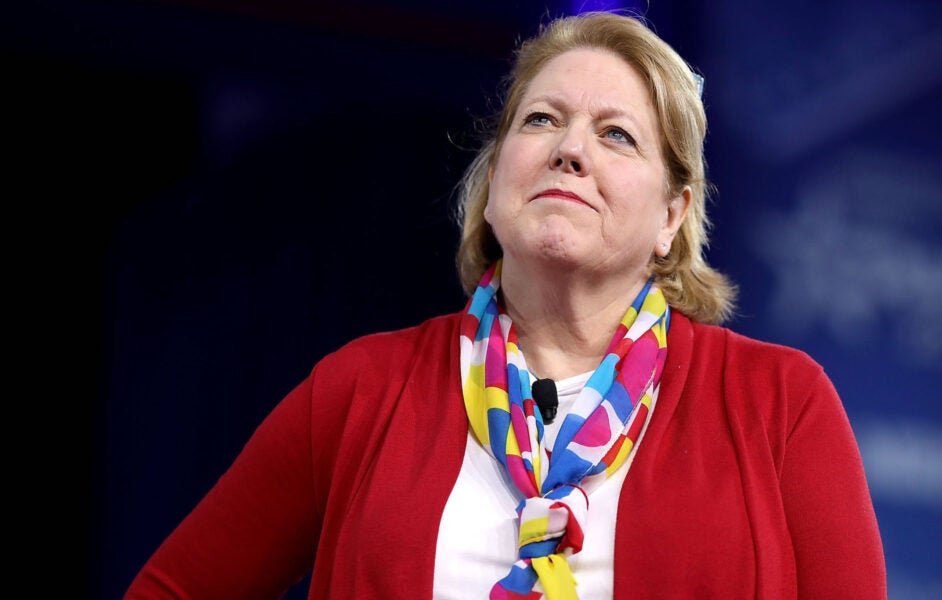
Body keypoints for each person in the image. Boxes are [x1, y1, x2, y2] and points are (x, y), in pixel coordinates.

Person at [125, 10, 887, 599]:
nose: (569, 149)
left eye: (616, 135)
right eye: (541, 120)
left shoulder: (781, 405)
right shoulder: (360, 390)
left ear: (671, 216)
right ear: (493, 187)